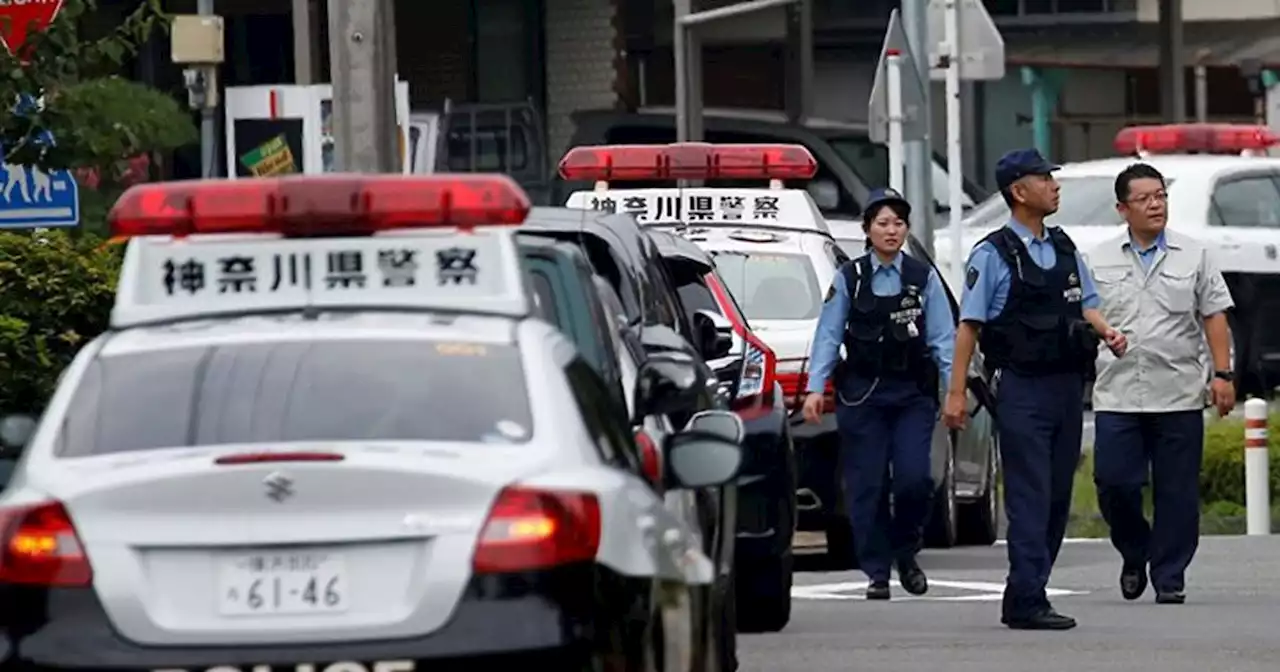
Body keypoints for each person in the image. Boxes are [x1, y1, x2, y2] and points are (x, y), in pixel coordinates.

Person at [943, 148, 1127, 630]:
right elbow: (970, 325)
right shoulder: (993, 254)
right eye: (1045, 179)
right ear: (1018, 192)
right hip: (1022, 390)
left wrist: (1108, 332)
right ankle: (1027, 597)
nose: (1054, 185)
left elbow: (1087, 303)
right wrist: (956, 392)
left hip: (1067, 387)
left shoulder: (1064, 247)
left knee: (1057, 497)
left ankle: (1025, 590)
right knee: (1030, 495)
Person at [1087, 162, 1235, 605]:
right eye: (1145, 199)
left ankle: (1169, 575)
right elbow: (1085, 314)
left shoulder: (1196, 254)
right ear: (1122, 208)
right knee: (1114, 484)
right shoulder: (1097, 258)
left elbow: (1214, 314)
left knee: (1177, 493)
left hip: (1178, 392)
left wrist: (1223, 374)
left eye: (1161, 197)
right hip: (1118, 394)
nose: (1156, 205)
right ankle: (1135, 552)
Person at [802, 188, 955, 600]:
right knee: (866, 484)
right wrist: (816, 388)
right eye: (883, 223)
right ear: (867, 229)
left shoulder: (923, 279)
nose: (892, 230)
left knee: (914, 479)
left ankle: (906, 552)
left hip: (912, 396)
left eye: (899, 223)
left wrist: (954, 389)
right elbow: (828, 336)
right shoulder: (849, 279)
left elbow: (943, 338)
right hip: (862, 397)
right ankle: (876, 571)